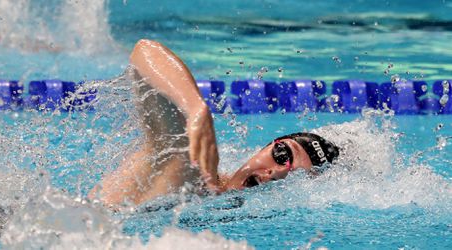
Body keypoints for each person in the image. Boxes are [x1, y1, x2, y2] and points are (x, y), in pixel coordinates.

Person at [88, 39, 339, 209]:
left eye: (295, 175)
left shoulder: (218, 203)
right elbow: (144, 50)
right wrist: (196, 108)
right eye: (282, 154)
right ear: (265, 146)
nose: (278, 172)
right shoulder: (188, 167)